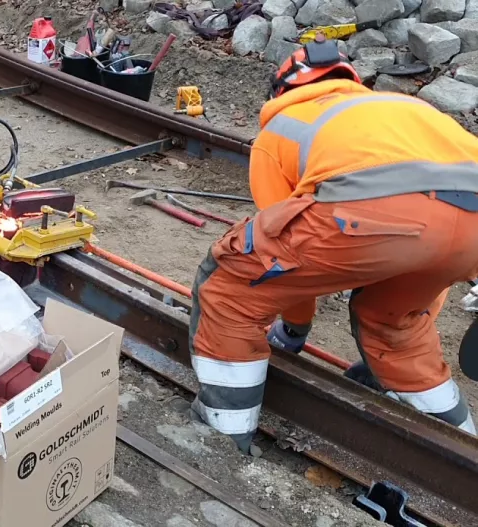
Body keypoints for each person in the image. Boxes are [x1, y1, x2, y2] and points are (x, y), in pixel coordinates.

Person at [188, 36, 478, 453]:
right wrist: (411, 311)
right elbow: (441, 237)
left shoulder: (281, 128)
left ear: (282, 90)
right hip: (469, 230)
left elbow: (281, 264)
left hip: (375, 213)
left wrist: (293, 329)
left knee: (230, 286)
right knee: (395, 324)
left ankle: (221, 438)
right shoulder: (405, 110)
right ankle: (461, 460)